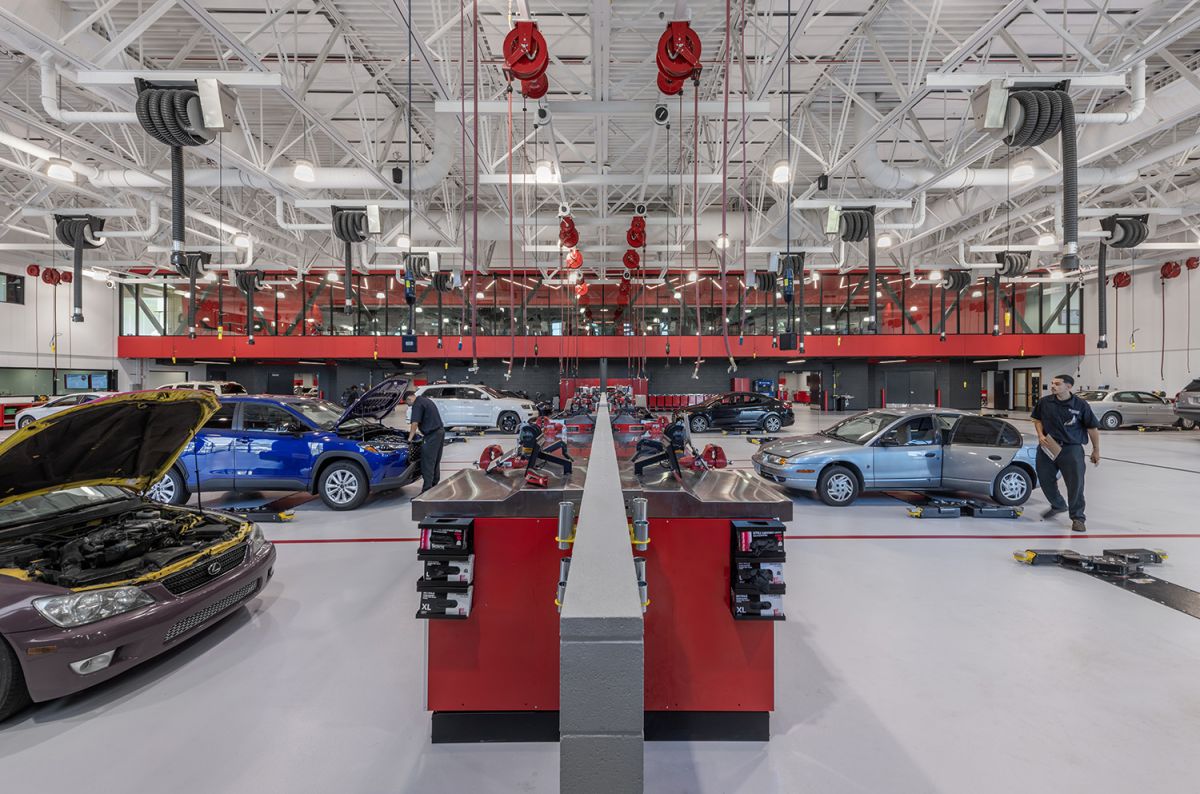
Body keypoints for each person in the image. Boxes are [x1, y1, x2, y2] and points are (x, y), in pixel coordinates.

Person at [1031, 374, 1101, 532]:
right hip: (1048, 446)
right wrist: (1040, 435)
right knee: (1044, 478)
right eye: (1052, 383)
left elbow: (1092, 428)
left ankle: (1077, 518)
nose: (1053, 386)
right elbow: (1037, 419)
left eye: (1057, 384)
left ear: (1068, 387)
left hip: (1072, 448)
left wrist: (1096, 450)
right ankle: (1058, 504)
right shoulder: (1045, 402)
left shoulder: (1081, 405)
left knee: (1075, 484)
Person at [405, 389, 445, 493]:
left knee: (427, 462)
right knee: (435, 460)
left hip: (432, 435)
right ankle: (434, 484)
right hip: (440, 432)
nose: (408, 405)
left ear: (409, 398)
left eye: (407, 403)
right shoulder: (425, 400)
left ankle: (426, 490)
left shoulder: (417, 404)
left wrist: (409, 439)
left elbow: (414, 423)